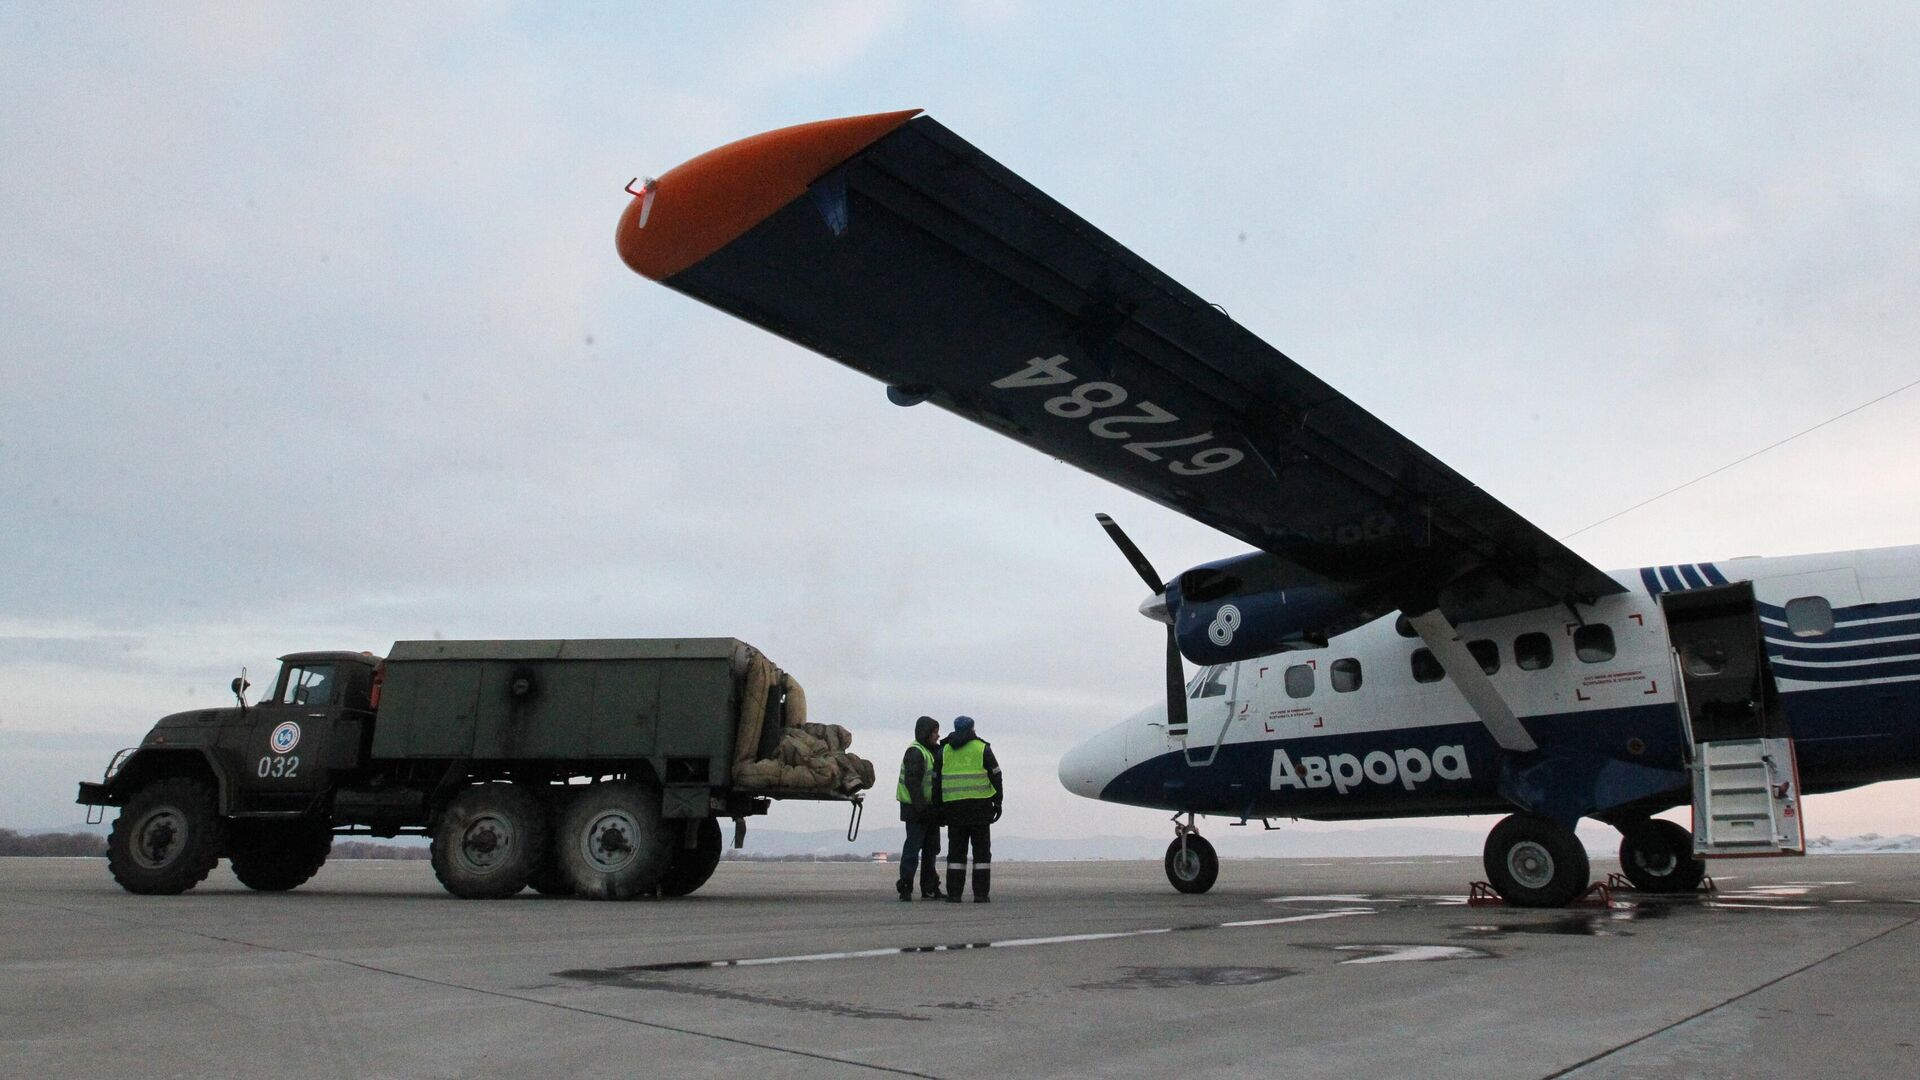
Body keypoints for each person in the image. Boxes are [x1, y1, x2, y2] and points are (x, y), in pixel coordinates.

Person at [938, 715, 1002, 902]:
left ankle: (954, 894)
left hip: (954, 809)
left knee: (956, 854)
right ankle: (981, 894)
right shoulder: (982, 749)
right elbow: (996, 776)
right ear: (972, 729)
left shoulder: (944, 751)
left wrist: (939, 808)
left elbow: (936, 782)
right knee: (981, 854)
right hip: (980, 809)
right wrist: (998, 802)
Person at [895, 715, 944, 900]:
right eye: (935, 732)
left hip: (928, 809)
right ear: (926, 733)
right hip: (916, 809)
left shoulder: (930, 751)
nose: (937, 736)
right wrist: (921, 808)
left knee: (931, 849)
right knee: (913, 848)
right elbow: (912, 783)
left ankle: (929, 887)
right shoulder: (916, 752)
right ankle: (906, 886)